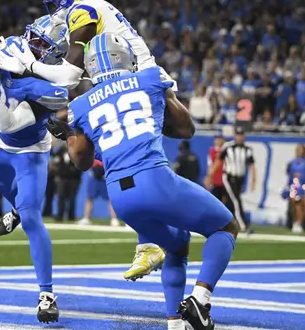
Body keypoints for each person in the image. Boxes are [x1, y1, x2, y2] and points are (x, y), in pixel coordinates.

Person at [0, 0, 170, 282]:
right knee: (123, 164)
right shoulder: (98, 10)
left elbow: (70, 75)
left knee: (122, 165)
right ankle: (153, 237)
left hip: (134, 85)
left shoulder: (82, 9)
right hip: (140, 83)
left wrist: (26, 67)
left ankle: (159, 236)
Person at [48, 33, 237, 330]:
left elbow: (82, 162)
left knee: (176, 245)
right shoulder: (149, 78)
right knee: (226, 227)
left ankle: (175, 323)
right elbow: (186, 129)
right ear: (126, 57)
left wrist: (69, 135)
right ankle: (200, 301)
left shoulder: (82, 104)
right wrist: (169, 95)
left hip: (121, 198)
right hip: (155, 180)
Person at [0, 15, 69, 323]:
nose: (31, 44)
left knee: (32, 218)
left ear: (55, 54)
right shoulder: (13, 46)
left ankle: (46, 294)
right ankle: (16, 209)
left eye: (41, 44)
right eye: (32, 36)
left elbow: (7, 121)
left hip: (30, 152)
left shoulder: (51, 86)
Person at [208, 127, 256, 233]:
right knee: (236, 200)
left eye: (241, 135)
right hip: (229, 177)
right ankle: (243, 225)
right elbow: (218, 161)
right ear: (235, 136)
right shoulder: (228, 147)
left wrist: (253, 180)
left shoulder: (248, 149)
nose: (239, 137)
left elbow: (252, 166)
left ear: (244, 136)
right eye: (238, 135)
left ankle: (225, 224)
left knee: (230, 202)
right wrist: (209, 175)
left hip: (240, 179)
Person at [78, 159, 121, 226]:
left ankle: (114, 219)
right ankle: (86, 218)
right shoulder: (94, 151)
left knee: (110, 200)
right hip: (94, 177)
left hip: (104, 178)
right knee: (89, 198)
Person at [282, 144, 305, 233]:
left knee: (302, 205)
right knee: (295, 205)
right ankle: (296, 222)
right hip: (294, 187)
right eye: (297, 149)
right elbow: (289, 175)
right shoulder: (292, 163)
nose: (299, 151)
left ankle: (301, 223)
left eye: (300, 149)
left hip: (304, 187)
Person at [53, 139, 81, 222]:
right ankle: (60, 215)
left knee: (72, 198)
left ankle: (71, 216)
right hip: (62, 178)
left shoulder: (77, 152)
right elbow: (56, 163)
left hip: (74, 179)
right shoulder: (60, 151)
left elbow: (80, 164)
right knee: (61, 197)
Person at [204, 134, 226, 200]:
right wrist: (208, 178)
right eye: (216, 139)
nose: (218, 141)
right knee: (216, 199)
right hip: (216, 180)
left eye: (219, 139)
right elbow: (210, 165)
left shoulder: (227, 150)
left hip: (225, 179)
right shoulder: (212, 151)